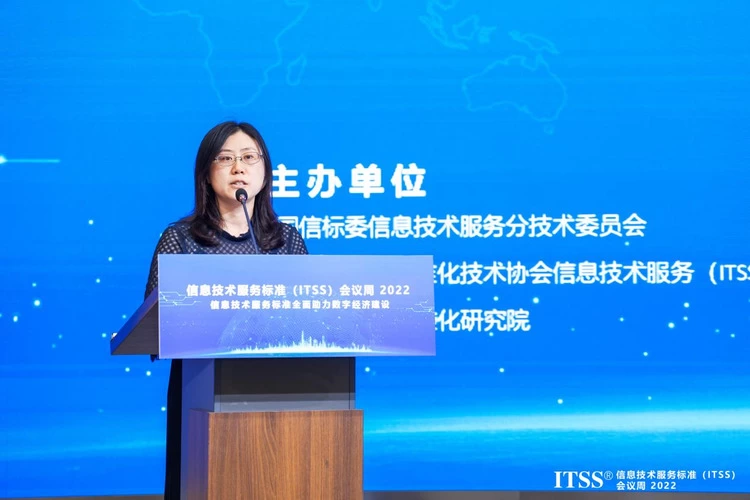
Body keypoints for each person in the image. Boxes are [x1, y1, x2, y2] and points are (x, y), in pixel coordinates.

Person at [143, 120, 308, 499]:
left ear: (265, 172)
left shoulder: (287, 241)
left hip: (282, 390)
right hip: (202, 392)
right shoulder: (180, 239)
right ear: (206, 172)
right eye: (225, 158)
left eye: (249, 157)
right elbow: (156, 324)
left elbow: (309, 318)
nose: (238, 168)